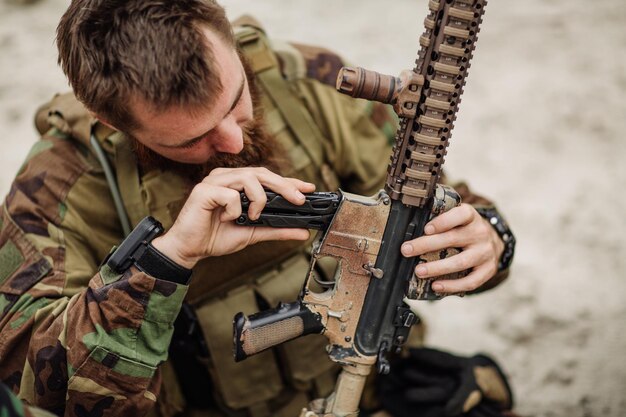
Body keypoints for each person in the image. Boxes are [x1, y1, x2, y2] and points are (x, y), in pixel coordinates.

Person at [0, 1, 515, 416]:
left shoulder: (307, 85)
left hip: (368, 381)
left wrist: (484, 239)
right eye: (190, 139)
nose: (230, 140)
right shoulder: (58, 184)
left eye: (235, 100)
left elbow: (436, 203)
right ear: (108, 120)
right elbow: (38, 379)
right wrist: (166, 261)